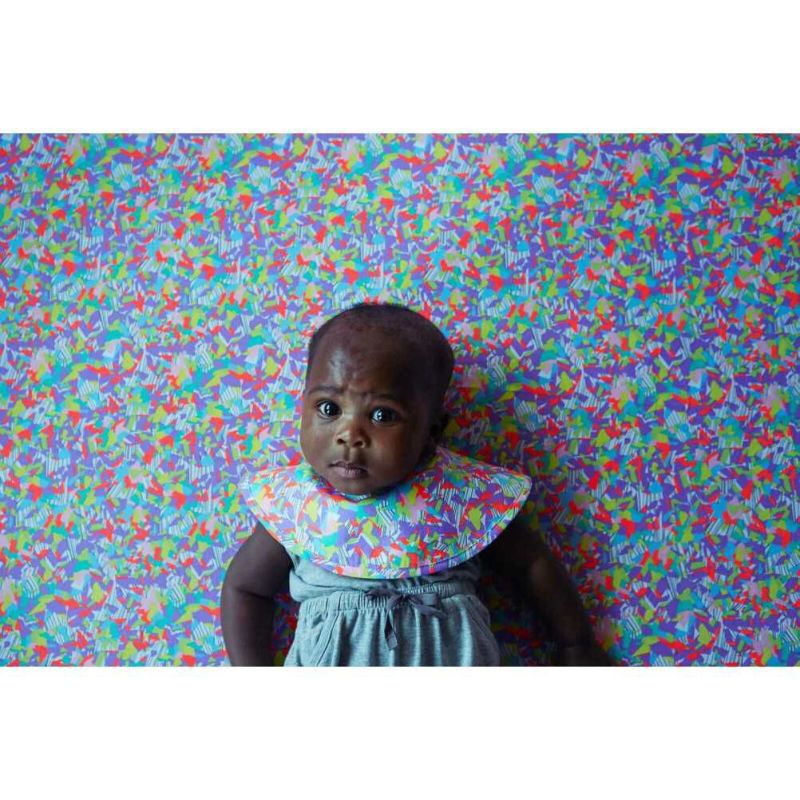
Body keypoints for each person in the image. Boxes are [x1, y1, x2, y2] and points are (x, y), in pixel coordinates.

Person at [221, 302, 611, 666]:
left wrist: (576, 643)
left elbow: (532, 565)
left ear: (432, 431)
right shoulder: (296, 505)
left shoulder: (461, 495)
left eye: (382, 415)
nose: (349, 434)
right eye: (329, 408)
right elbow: (245, 588)